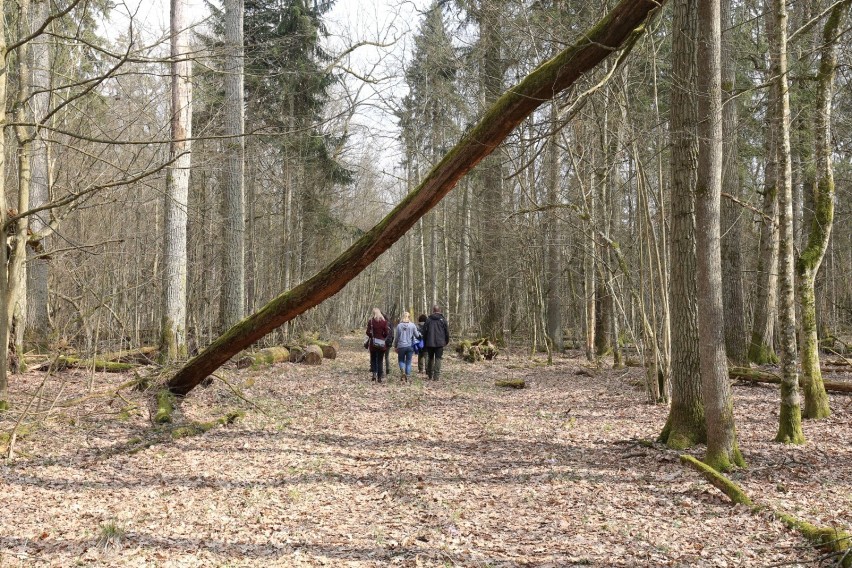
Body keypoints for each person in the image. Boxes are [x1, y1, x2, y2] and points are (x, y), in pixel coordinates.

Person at [422, 305, 450, 380]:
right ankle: (436, 376)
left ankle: (430, 374)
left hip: (430, 342)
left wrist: (425, 341)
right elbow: (446, 332)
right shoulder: (443, 320)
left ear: (433, 310)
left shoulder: (428, 320)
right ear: (439, 310)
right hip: (440, 343)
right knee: (438, 358)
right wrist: (446, 341)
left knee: (430, 358)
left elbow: (424, 331)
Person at [393, 312, 421, 382]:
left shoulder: (399, 326)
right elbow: (417, 335)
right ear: (409, 317)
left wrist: (395, 345)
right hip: (410, 346)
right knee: (408, 362)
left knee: (401, 360)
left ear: (402, 317)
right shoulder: (412, 325)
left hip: (401, 346)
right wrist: (420, 335)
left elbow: (397, 337)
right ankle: (407, 376)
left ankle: (403, 372)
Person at [366, 308, 389, 382]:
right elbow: (386, 333)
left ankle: (374, 374)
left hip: (373, 343)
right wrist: (383, 336)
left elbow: (367, 332)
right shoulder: (384, 322)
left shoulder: (371, 321)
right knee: (380, 360)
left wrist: (372, 336)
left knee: (373, 359)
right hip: (381, 343)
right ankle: (379, 377)